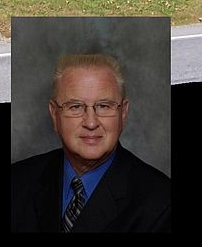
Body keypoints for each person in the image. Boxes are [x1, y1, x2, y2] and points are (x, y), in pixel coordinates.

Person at [11, 53, 171, 232]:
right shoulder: (17, 182)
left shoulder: (161, 202)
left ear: (123, 113)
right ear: (55, 114)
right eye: (75, 107)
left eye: (104, 106)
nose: (91, 123)